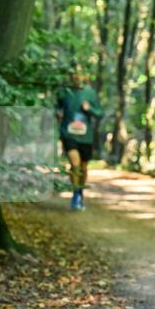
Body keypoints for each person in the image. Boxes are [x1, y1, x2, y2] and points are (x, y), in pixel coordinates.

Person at [56, 70, 103, 211]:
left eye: (79, 74)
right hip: (68, 134)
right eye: (74, 74)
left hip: (85, 137)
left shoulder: (90, 93)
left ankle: (80, 192)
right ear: (70, 77)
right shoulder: (64, 92)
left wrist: (89, 109)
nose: (76, 77)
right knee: (75, 164)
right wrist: (57, 113)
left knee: (83, 167)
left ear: (84, 76)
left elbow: (100, 113)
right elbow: (56, 107)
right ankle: (75, 195)